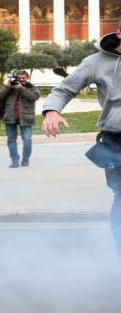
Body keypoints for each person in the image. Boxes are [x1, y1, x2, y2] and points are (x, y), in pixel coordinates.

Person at [42, 24, 121, 258]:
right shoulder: (96, 61)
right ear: (119, 33)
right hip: (117, 141)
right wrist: (51, 111)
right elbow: (63, 90)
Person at [0, 70, 40, 168]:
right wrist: (8, 87)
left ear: (28, 78)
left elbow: (34, 97)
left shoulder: (32, 87)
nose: (21, 80)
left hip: (26, 118)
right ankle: (15, 160)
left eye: (23, 78)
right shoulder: (10, 87)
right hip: (10, 117)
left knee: (27, 140)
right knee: (11, 140)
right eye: (19, 78)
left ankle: (26, 158)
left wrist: (21, 88)